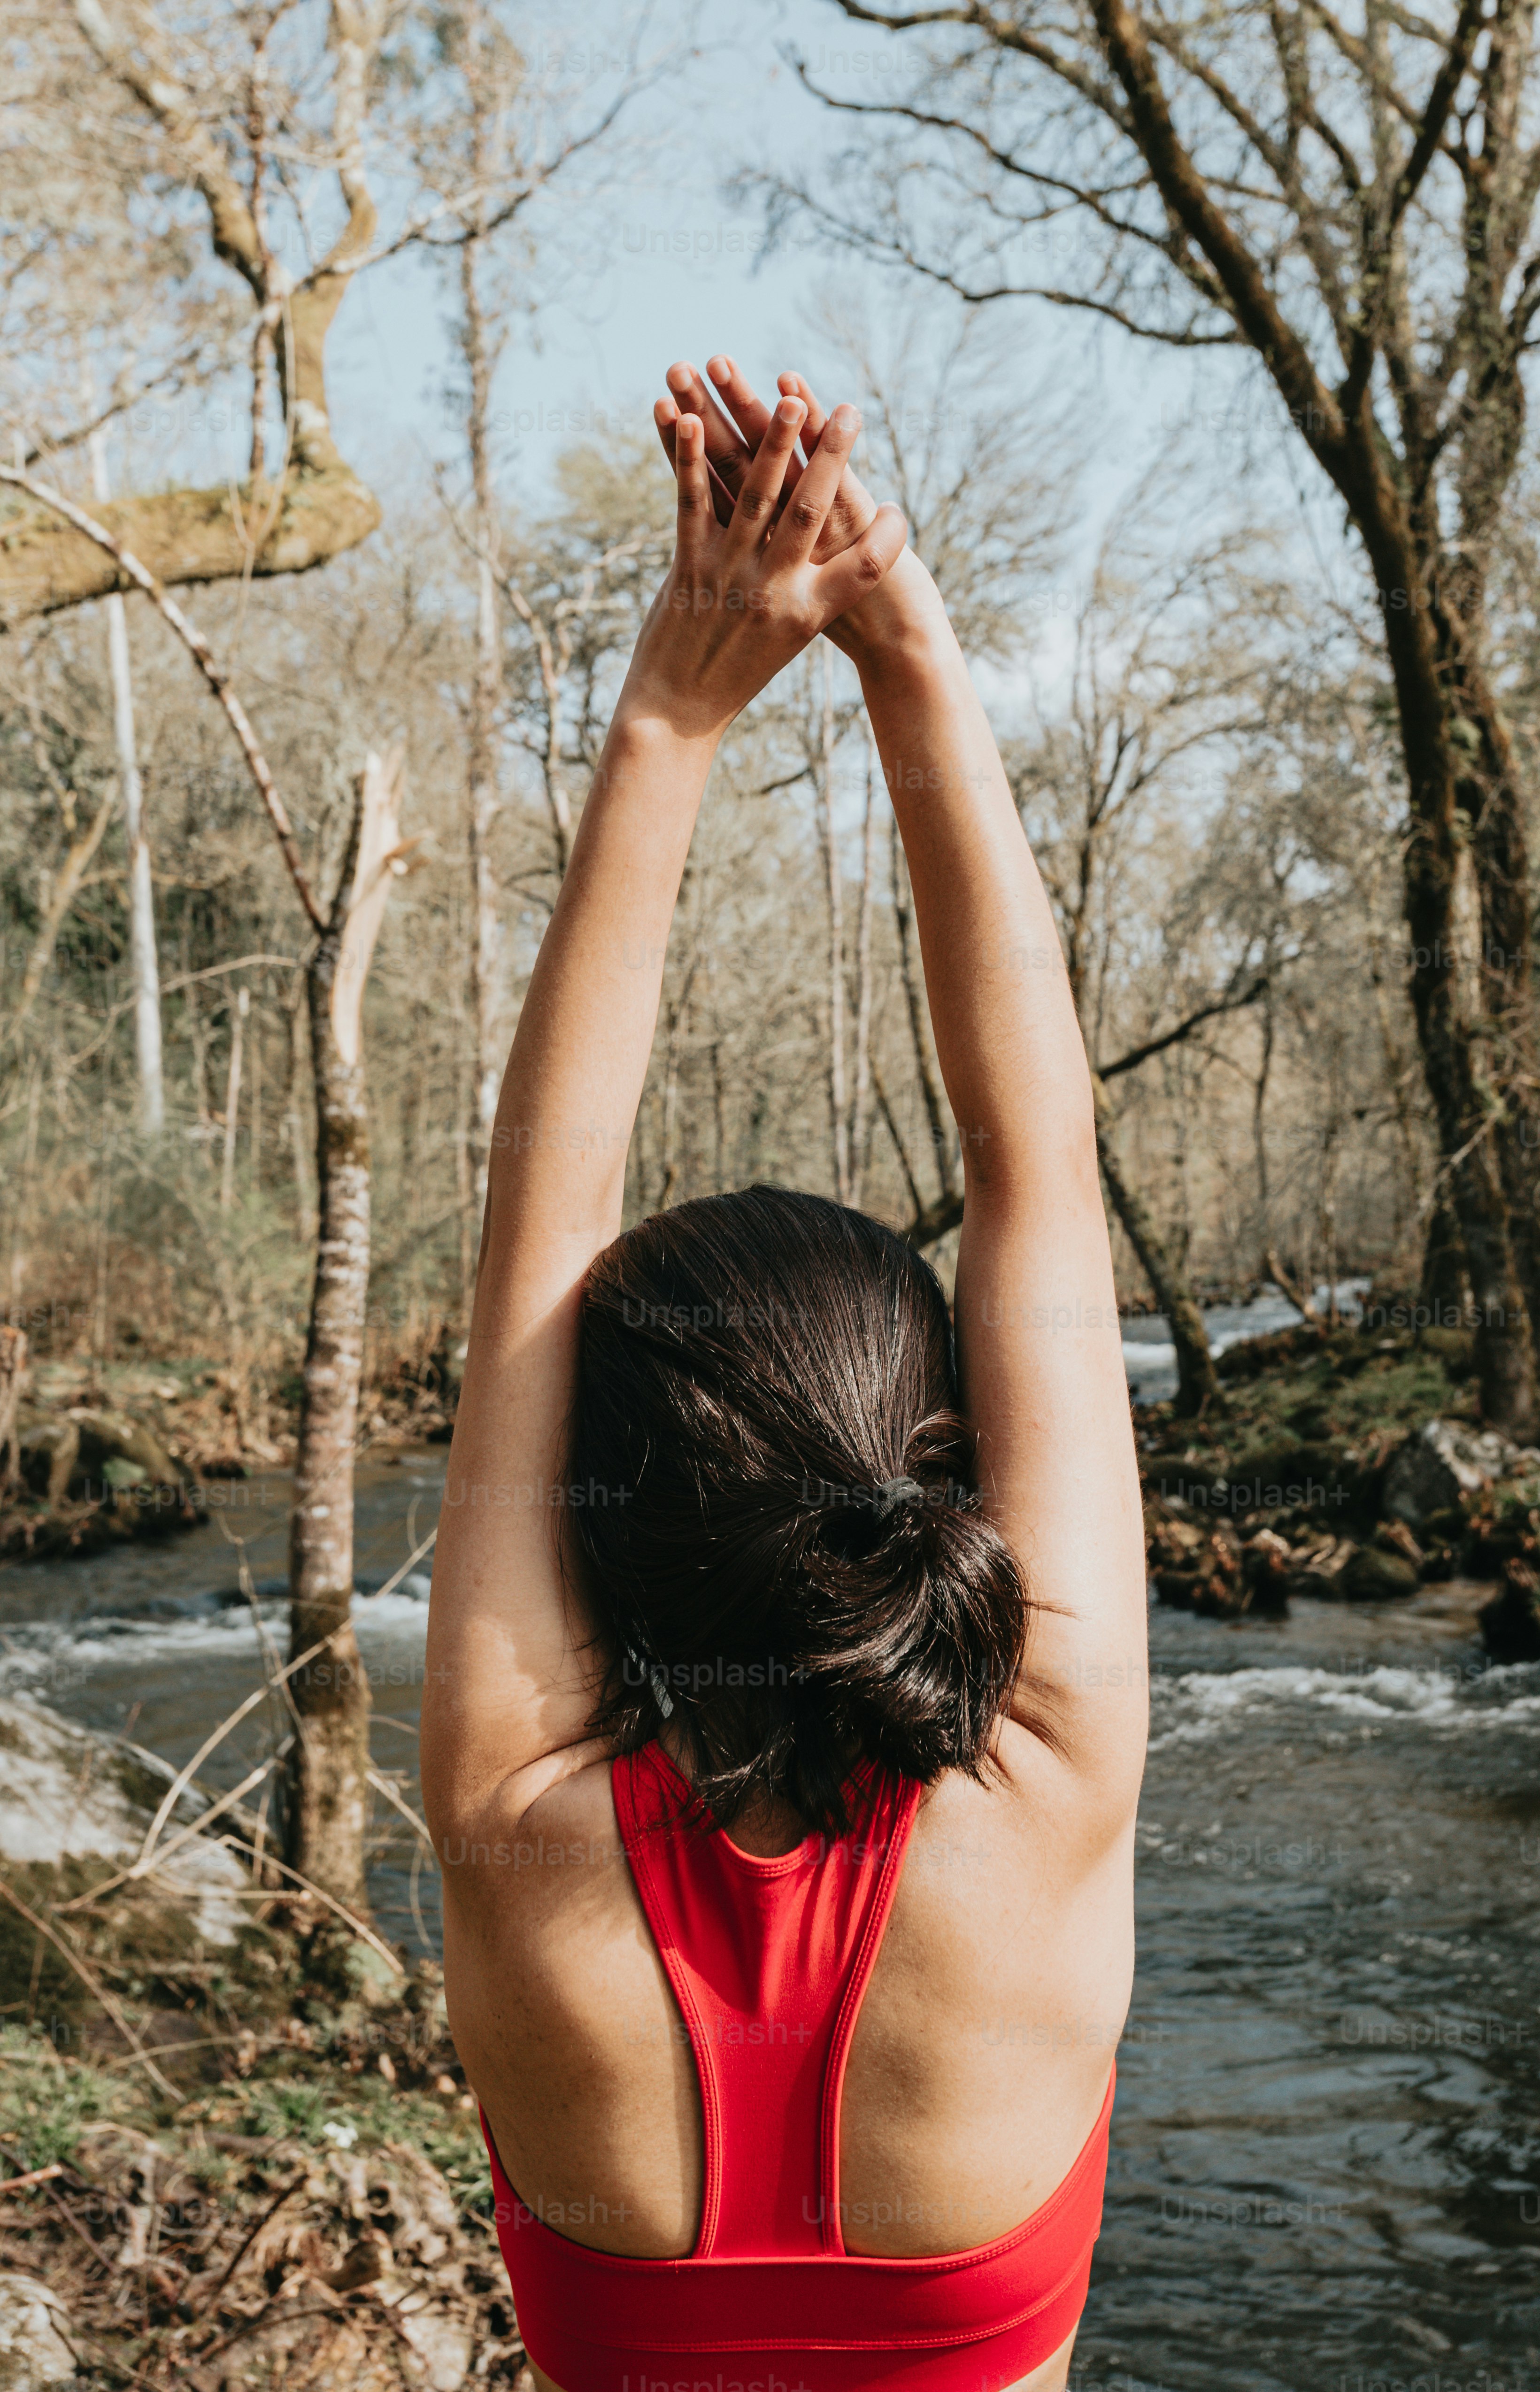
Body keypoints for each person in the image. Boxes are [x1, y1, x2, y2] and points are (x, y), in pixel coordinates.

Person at [420, 355, 1148, 2392]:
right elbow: (1038, 1178)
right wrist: (900, 639)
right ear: (941, 1465)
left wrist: (667, 709)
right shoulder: (1048, 1791)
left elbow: (535, 1239)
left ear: (607, 1516)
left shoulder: (513, 1822)